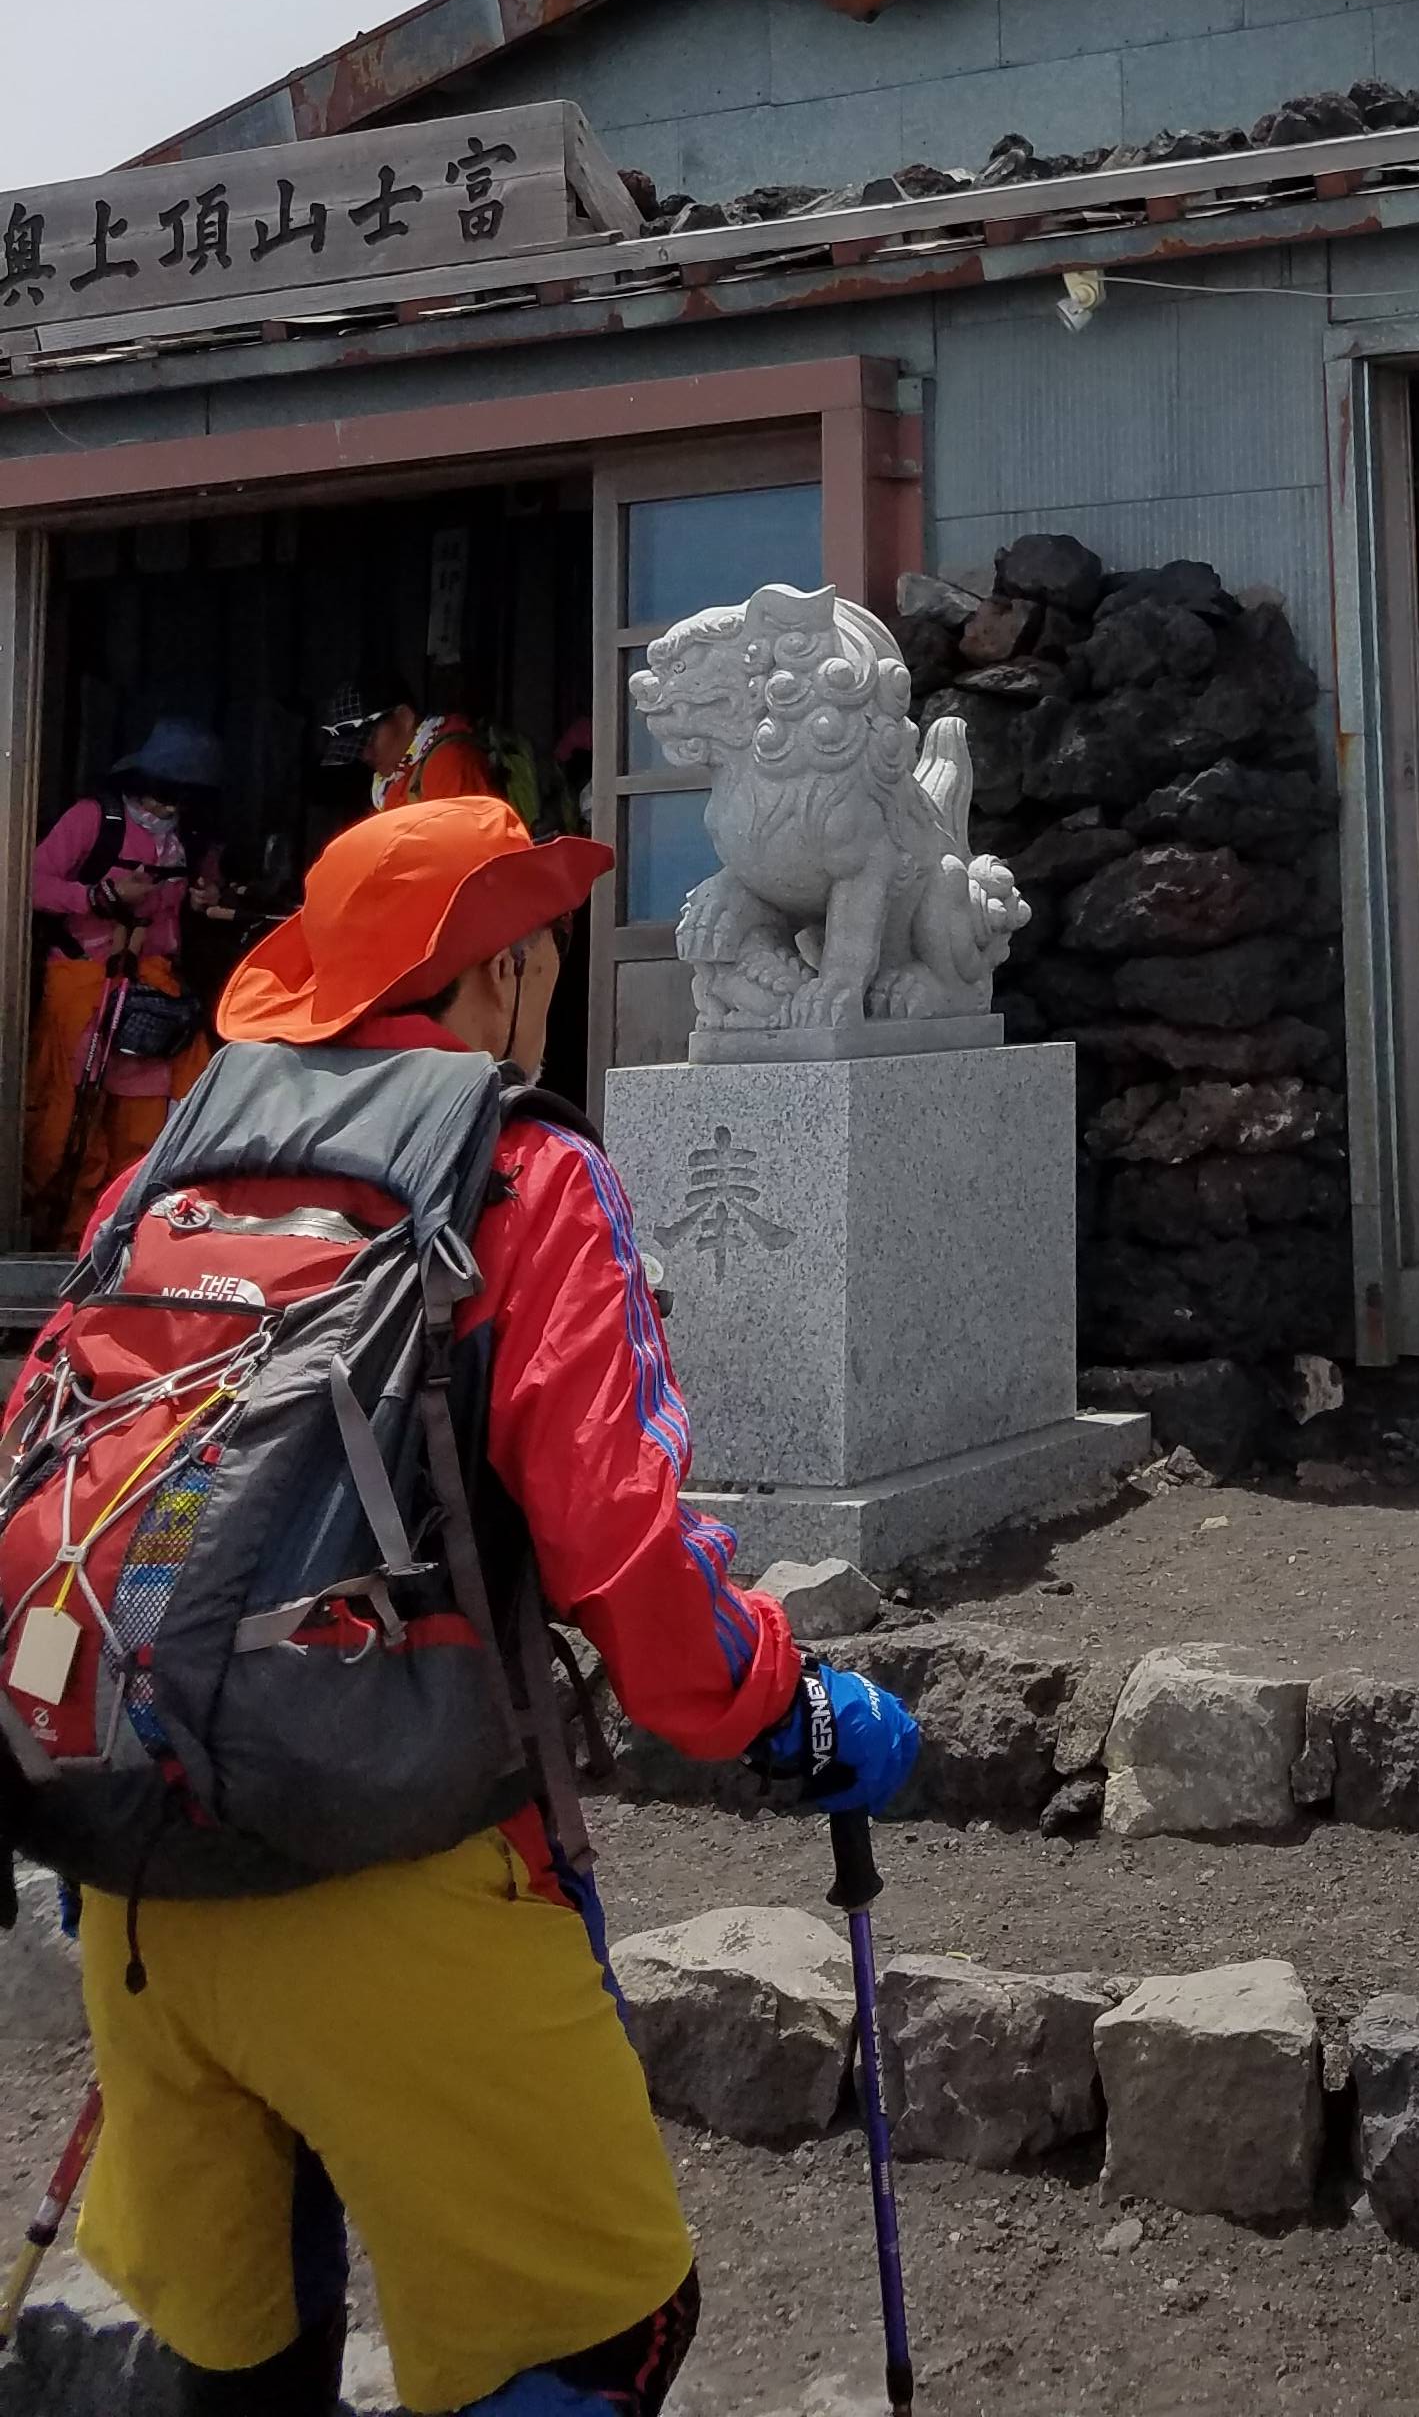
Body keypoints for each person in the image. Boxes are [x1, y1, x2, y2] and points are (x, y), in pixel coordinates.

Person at [33, 797, 922, 2416]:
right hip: (395, 1872)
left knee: (246, 2350)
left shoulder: (160, 1183)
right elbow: (632, 1570)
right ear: (503, 969)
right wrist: (792, 1704)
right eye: (548, 959)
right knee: (600, 2330)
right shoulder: (519, 1177)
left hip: (140, 1887)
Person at [22, 719, 224, 1246]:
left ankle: (128, 1238)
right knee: (67, 1120)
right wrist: (98, 898)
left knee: (146, 1119)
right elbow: (29, 881)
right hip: (81, 981)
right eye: (159, 792)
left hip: (151, 987)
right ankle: (63, 1242)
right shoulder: (93, 820)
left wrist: (203, 898)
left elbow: (188, 907)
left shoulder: (190, 840)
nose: (165, 808)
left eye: (179, 797)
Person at [346, 680, 500, 814]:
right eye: (358, 746)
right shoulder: (393, 778)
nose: (365, 754)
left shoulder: (448, 762)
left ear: (404, 718)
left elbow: (459, 843)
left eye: (370, 738)